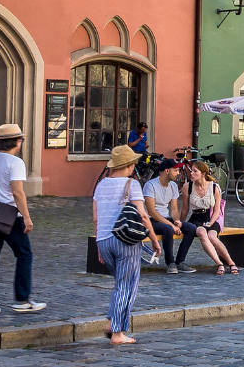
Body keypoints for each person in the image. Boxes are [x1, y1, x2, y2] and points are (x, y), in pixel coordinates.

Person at [0, 123, 44, 316]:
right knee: (24, 255)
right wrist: (27, 217)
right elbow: (17, 193)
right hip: (10, 217)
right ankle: (22, 299)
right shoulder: (15, 163)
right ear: (17, 142)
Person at [93, 145, 153, 344]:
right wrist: (153, 239)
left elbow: (96, 219)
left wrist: (98, 244)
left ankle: (113, 321)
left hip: (103, 241)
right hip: (126, 240)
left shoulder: (100, 185)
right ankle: (117, 332)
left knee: (120, 284)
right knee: (126, 286)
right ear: (129, 165)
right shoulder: (132, 184)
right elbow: (143, 215)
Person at [177, 161, 234, 275]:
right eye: (191, 171)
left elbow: (217, 210)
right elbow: (185, 209)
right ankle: (219, 264)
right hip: (196, 217)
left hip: (212, 217)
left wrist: (211, 222)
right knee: (201, 232)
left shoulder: (214, 187)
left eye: (195, 171)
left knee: (212, 236)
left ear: (203, 173)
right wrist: (180, 224)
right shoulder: (187, 187)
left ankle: (231, 263)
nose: (191, 173)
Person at [143, 159, 186, 273]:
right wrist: (172, 226)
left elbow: (174, 209)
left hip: (166, 219)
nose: (178, 173)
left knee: (191, 228)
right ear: (167, 171)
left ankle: (180, 262)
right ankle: (170, 263)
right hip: (151, 221)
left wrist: (177, 221)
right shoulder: (150, 185)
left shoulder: (173, 186)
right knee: (168, 229)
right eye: (176, 170)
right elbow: (151, 212)